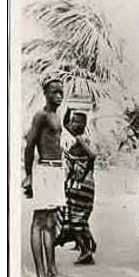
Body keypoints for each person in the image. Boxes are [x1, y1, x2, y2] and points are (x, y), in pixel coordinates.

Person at [22, 75, 67, 277]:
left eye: (61, 91)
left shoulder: (57, 117)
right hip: (44, 171)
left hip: (56, 171)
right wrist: (29, 175)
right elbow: (29, 146)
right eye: (54, 92)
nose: (58, 95)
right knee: (39, 222)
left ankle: (52, 271)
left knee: (50, 222)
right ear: (46, 94)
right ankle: (41, 276)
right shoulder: (41, 116)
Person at [56, 108, 96, 265]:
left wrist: (83, 172)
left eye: (76, 122)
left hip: (81, 183)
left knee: (74, 220)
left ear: (82, 125)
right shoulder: (81, 137)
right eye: (72, 121)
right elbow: (65, 124)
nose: (72, 124)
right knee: (79, 217)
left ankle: (86, 252)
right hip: (84, 183)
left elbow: (92, 156)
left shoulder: (80, 139)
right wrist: (68, 110)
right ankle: (89, 245)